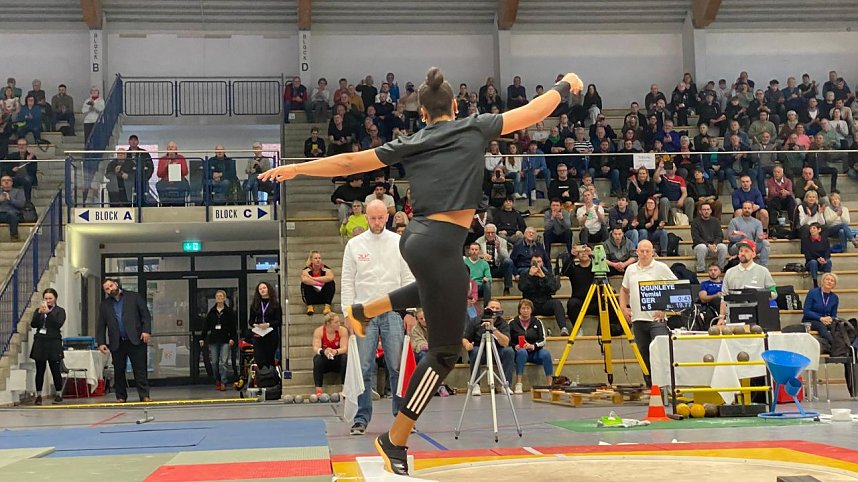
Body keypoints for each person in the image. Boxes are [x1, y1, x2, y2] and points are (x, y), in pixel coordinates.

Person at [259, 67, 584, 475]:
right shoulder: (476, 126)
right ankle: (394, 438)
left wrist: (297, 168)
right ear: (452, 106)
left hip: (416, 236)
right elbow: (536, 110)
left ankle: (365, 311)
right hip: (439, 242)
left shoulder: (412, 140)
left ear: (425, 115)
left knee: (443, 287)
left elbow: (349, 162)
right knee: (445, 353)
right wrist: (565, 83)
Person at [339, 199, 415, 436]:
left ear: (387, 217)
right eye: (372, 218)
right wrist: (347, 313)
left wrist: (411, 311)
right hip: (363, 314)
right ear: (366, 218)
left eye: (381, 217)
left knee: (396, 366)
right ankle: (361, 418)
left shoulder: (399, 242)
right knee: (363, 368)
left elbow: (408, 277)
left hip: (392, 311)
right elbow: (347, 281)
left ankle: (401, 418)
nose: (377, 222)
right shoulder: (353, 244)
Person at [619, 240, 677, 386]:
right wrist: (623, 307)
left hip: (656, 320)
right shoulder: (630, 269)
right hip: (638, 319)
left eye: (647, 251)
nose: (644, 254)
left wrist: (664, 308)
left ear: (652, 252)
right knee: (643, 354)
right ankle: (650, 386)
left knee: (659, 353)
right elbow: (624, 290)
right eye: (642, 251)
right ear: (637, 252)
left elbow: (675, 287)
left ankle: (665, 386)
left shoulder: (661, 267)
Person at [96, 279, 152, 403]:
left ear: (116, 284)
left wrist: (146, 331)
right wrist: (101, 342)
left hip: (136, 339)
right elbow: (101, 324)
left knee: (140, 369)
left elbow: (145, 315)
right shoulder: (105, 305)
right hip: (117, 342)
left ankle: (144, 395)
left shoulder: (134, 297)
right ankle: (120, 396)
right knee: (119, 371)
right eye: (107, 288)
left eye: (111, 285)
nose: (110, 289)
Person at [462, 297, 515, 396]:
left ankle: (506, 385)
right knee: (475, 351)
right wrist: (467, 344)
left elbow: (506, 342)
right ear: (486, 308)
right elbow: (465, 337)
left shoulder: (503, 323)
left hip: (497, 351)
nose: (494, 310)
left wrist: (493, 329)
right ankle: (476, 385)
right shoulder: (475, 321)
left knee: (509, 351)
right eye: (492, 307)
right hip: (481, 351)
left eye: (497, 308)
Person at [719, 239, 777, 323]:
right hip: (734, 313)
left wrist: (763, 294)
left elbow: (774, 292)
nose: (743, 253)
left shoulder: (763, 271)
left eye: (746, 251)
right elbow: (724, 297)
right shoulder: (730, 272)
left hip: (758, 314)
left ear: (753, 254)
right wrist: (721, 317)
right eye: (741, 251)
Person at [29, 288, 66, 405]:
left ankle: (59, 393)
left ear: (55, 298)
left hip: (54, 342)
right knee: (40, 370)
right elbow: (34, 324)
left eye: (50, 298)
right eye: (46, 298)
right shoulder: (38, 310)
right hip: (40, 342)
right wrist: (39, 313)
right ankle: (39, 394)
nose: (48, 301)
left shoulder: (60, 311)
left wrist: (48, 313)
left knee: (55, 370)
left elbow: (57, 323)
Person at [509, 298, 554, 392]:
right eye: (523, 308)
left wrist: (533, 346)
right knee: (522, 352)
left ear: (531, 310)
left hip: (535, 351)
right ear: (519, 310)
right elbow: (507, 340)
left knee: (546, 354)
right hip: (519, 352)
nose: (525, 310)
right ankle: (518, 384)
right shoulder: (512, 323)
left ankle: (550, 384)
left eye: (528, 308)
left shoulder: (537, 322)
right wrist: (514, 346)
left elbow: (543, 339)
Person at [519, 254, 569, 336]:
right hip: (531, 305)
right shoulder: (525, 274)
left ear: (542, 263)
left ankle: (563, 328)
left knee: (557, 303)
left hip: (545, 303)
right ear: (531, 263)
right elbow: (522, 287)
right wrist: (530, 276)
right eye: (534, 262)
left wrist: (543, 277)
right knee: (524, 305)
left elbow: (553, 289)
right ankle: (524, 332)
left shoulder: (547, 274)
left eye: (539, 262)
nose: (537, 264)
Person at [200, 290, 237, 391]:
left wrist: (232, 338)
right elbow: (206, 326)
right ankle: (217, 379)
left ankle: (223, 382)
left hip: (225, 339)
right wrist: (202, 338)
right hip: (214, 340)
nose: (219, 298)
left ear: (224, 298)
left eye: (221, 296)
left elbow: (233, 327)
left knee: (224, 362)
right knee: (214, 362)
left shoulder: (229, 312)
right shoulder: (211, 312)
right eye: (217, 296)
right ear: (215, 299)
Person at [312, 312, 349, 397]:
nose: (339, 324)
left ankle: (345, 388)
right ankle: (318, 389)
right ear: (328, 323)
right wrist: (324, 352)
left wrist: (335, 351)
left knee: (344, 358)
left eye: (339, 321)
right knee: (317, 359)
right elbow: (316, 347)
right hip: (325, 361)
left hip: (337, 360)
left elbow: (344, 348)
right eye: (336, 322)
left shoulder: (342, 330)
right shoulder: (319, 331)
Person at [248, 281, 282, 368]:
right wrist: (255, 325)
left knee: (269, 358)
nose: (262, 290)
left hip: (271, 333)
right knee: (259, 358)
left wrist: (268, 324)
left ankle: (270, 377)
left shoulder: (275, 304)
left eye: (264, 288)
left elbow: (278, 321)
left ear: (268, 289)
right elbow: (251, 321)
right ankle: (261, 377)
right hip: (258, 333)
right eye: (260, 289)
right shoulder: (255, 304)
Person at [475, 223, 515, 296]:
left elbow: (506, 257)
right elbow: (474, 257)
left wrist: (499, 249)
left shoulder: (502, 241)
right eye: (488, 233)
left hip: (497, 268)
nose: (490, 235)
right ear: (484, 233)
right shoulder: (478, 241)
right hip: (484, 270)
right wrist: (481, 256)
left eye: (492, 233)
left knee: (508, 262)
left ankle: (507, 289)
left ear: (495, 233)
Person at [728, 200, 770, 266]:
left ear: (752, 209)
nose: (747, 210)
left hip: (752, 245)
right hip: (737, 246)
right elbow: (730, 238)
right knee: (743, 244)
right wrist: (741, 237)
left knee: (765, 243)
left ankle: (763, 267)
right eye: (745, 208)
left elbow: (758, 241)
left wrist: (759, 238)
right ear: (742, 209)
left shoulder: (757, 223)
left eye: (749, 208)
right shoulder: (734, 221)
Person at [802, 272, 839, 343]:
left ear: (834, 284)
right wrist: (820, 318)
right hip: (811, 320)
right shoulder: (813, 293)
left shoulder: (835, 297)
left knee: (838, 327)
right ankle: (835, 345)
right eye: (827, 279)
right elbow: (806, 311)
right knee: (822, 327)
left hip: (826, 321)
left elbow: (834, 315)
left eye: (832, 281)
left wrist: (831, 319)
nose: (829, 282)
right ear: (822, 281)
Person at [691, 202, 727, 272]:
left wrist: (714, 244)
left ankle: (720, 268)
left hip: (714, 246)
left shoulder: (716, 221)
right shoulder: (695, 222)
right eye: (704, 210)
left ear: (711, 211)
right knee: (702, 247)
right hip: (700, 246)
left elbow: (719, 236)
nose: (706, 211)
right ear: (700, 211)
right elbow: (696, 238)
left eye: (708, 209)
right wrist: (708, 245)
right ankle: (700, 269)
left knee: (723, 247)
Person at [301, 250, 336, 315]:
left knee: (331, 282)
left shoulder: (325, 268)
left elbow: (330, 277)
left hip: (323, 296)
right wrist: (320, 281)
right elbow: (304, 280)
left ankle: (327, 306)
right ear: (311, 260)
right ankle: (309, 307)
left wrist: (313, 278)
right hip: (312, 296)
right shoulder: (306, 269)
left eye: (319, 258)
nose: (318, 260)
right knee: (304, 284)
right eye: (316, 258)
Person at [802, 223, 832, 288]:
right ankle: (815, 283)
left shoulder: (825, 240)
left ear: (819, 230)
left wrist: (824, 259)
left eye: (814, 228)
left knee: (828, 261)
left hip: (822, 262)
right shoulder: (805, 241)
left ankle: (827, 281)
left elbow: (827, 252)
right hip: (811, 262)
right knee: (813, 262)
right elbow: (807, 255)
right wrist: (817, 260)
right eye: (810, 228)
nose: (811, 230)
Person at [464, 242, 492, 306]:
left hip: (479, 287)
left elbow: (489, 277)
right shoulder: (464, 262)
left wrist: (486, 279)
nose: (474, 251)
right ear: (469, 251)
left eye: (476, 250)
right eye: (472, 249)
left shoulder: (484, 263)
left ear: (479, 251)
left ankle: (486, 308)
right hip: (468, 287)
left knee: (487, 283)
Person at [0, 175, 24, 240]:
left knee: (12, 214)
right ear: (1, 183)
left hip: (13, 213)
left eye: (8, 180)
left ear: (12, 183)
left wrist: (10, 199)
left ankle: (14, 236)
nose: (6, 182)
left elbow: (21, 204)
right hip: (1, 213)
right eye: (4, 180)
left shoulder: (18, 191)